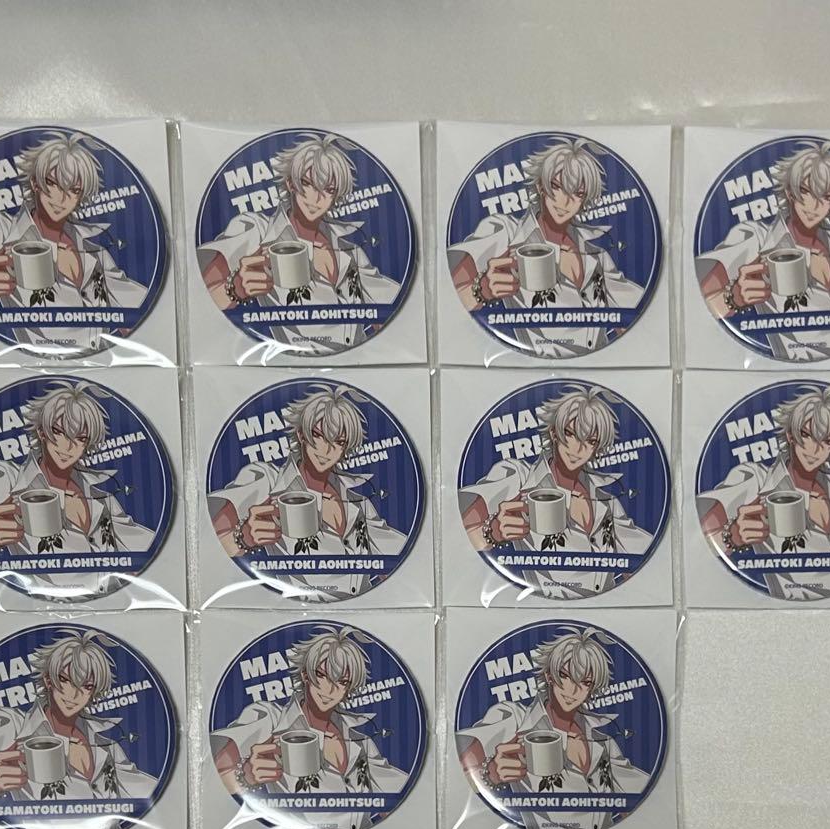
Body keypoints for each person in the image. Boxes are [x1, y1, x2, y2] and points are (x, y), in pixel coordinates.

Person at [0, 131, 148, 355]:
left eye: (74, 190)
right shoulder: (2, 230)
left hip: (102, 364)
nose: (61, 199)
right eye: (52, 183)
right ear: (35, 183)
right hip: (32, 366)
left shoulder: (94, 251)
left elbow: (141, 315)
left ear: (81, 196)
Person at [197, 132, 400, 354]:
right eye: (307, 183)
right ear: (290, 183)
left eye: (328, 190)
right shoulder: (258, 231)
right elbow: (200, 296)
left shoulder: (350, 251)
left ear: (336, 196)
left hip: (360, 363)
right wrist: (235, 289)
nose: (316, 198)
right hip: (293, 365)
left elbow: (393, 311)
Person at [0, 380, 155, 598]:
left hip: (112, 604)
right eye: (59, 432)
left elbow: (148, 549)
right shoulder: (8, 479)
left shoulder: (102, 498)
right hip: (34, 607)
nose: (68, 446)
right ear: (42, 432)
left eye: (80, 438)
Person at [0, 628, 157, 829]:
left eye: (86, 686)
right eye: (65, 680)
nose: (74, 694)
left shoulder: (106, 745)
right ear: (48, 680)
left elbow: (150, 793)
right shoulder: (14, 726)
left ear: (94, 692)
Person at [696, 140, 830, 361]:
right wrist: (734, 298)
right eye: (805, 191)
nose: (814, 206)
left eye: (826, 197)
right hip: (782, 370)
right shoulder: (758, 240)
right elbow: (698, 300)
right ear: (789, 192)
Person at [447, 137, 646, 357]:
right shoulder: (508, 233)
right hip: (533, 366)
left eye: (577, 194)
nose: (565, 202)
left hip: (599, 364)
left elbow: (637, 317)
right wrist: (483, 289)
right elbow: (449, 293)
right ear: (541, 186)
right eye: (557, 187)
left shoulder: (597, 255)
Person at [209, 384, 405, 601]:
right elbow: (208, 541)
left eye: (339, 442)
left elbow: (400, 558)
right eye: (318, 435)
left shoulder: (358, 502)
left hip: (364, 608)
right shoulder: (269, 481)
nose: (326, 450)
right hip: (294, 611)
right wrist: (244, 537)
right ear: (301, 434)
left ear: (346, 448)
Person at [211, 626, 408, 829]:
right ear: (305, 674)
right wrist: (247, 775)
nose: (329, 690)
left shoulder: (360, 740)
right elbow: (212, 772)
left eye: (342, 682)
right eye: (321, 675)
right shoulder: (271, 719)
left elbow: (399, 796)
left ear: (349, 688)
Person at [697, 385, 830, 600]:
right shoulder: (758, 480)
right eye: (806, 435)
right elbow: (698, 531)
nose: (815, 449)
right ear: (790, 435)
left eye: (827, 441)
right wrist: (733, 536)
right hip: (782, 611)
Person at [459, 384, 652, 599]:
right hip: (538, 607)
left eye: (590, 441)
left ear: (597, 449)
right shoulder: (520, 477)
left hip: (607, 606)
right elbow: (460, 520)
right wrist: (493, 531)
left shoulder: (606, 500)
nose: (578, 449)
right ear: (554, 433)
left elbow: (643, 559)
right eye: (570, 434)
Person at [457, 625, 649, 829]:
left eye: (585, 682)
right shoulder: (516, 720)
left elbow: (641, 797)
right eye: (565, 676)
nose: (573, 690)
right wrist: (492, 772)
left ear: (592, 688)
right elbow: (459, 759)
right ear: (549, 676)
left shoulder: (603, 741)